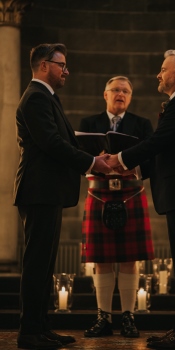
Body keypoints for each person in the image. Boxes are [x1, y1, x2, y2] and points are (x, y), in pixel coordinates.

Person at [107, 50, 175, 349]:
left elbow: (157, 142)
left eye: (164, 68)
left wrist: (118, 159)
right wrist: (136, 169)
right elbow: (166, 150)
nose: (159, 73)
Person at [13, 43, 112, 350]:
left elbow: (60, 140)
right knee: (37, 264)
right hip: (39, 189)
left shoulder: (46, 97)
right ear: (44, 65)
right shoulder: (35, 98)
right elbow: (52, 143)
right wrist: (92, 162)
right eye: (62, 65)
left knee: (45, 265)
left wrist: (90, 152)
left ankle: (42, 328)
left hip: (48, 189)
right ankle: (29, 333)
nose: (66, 71)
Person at [79, 76, 155, 338]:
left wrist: (130, 165)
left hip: (130, 193)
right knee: (100, 260)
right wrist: (94, 161)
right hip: (99, 193)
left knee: (129, 259)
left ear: (130, 97)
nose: (120, 94)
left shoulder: (142, 124)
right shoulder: (88, 124)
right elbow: (77, 156)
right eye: (115, 90)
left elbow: (152, 157)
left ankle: (128, 317)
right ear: (105, 94)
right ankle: (104, 318)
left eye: (125, 91)